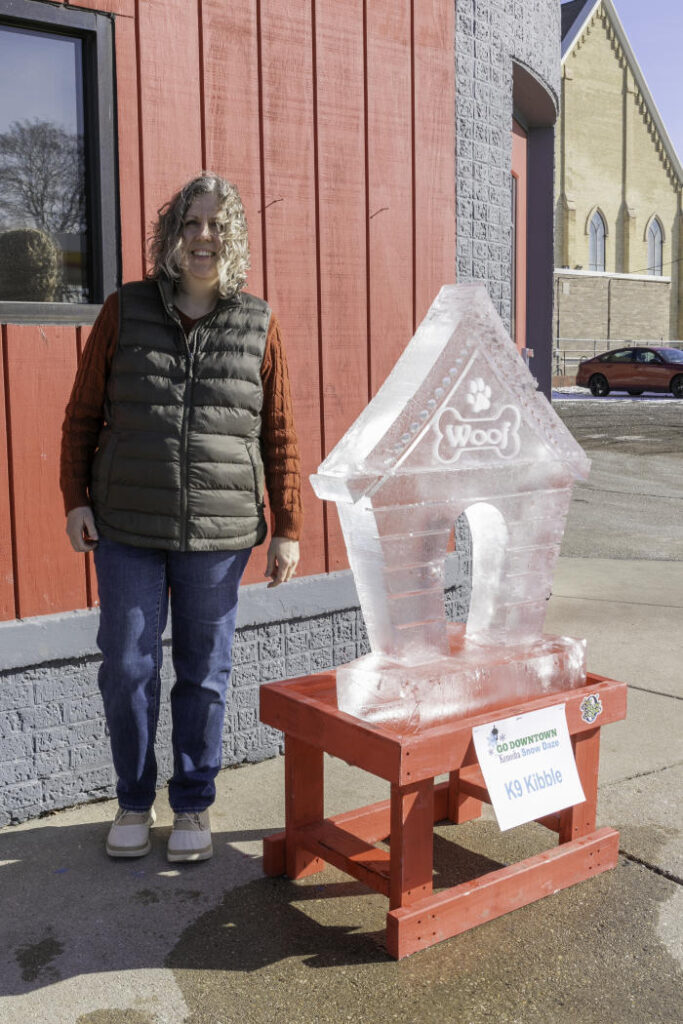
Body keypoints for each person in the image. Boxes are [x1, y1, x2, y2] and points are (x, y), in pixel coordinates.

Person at [60, 173, 301, 863]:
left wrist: (287, 526)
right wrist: (75, 497)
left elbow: (278, 432)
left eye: (217, 226)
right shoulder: (124, 310)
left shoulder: (257, 321)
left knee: (204, 672)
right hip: (127, 527)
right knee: (128, 667)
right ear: (171, 236)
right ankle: (134, 800)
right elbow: (82, 414)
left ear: (235, 240)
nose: (203, 237)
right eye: (191, 224)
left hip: (219, 537)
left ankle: (193, 805)